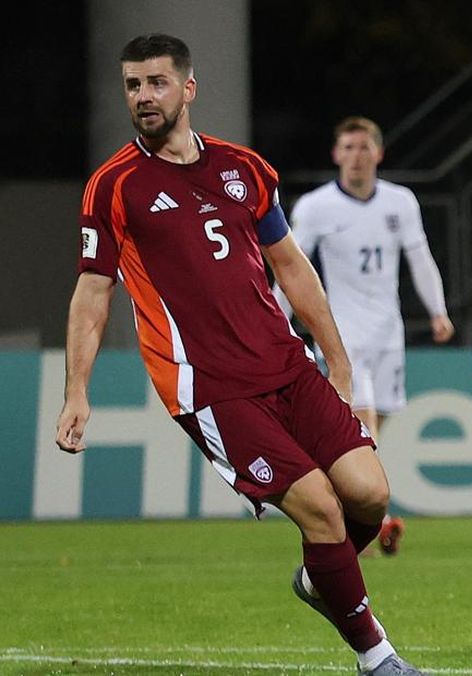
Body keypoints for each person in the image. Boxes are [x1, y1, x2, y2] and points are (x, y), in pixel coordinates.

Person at [54, 34, 420, 676]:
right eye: (133, 85)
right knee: (320, 508)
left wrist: (334, 358)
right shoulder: (113, 186)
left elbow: (293, 269)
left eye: (157, 83)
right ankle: (378, 657)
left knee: (369, 495)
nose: (143, 96)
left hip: (285, 361)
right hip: (210, 384)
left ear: (188, 89)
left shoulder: (244, 168)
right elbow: (92, 293)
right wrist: (76, 390)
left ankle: (320, 579)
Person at [273, 116, 454, 441]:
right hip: (343, 336)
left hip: (388, 333)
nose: (356, 156)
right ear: (336, 155)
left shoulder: (400, 202)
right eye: (348, 148)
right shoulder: (316, 207)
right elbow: (291, 269)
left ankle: (340, 488)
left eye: (364, 148)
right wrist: (274, 324)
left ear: (378, 154)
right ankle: (343, 488)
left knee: (369, 439)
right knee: (361, 433)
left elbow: (420, 259)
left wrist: (437, 311)